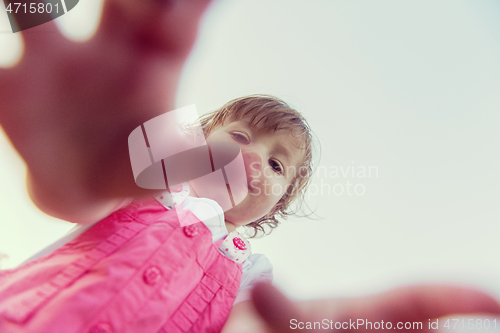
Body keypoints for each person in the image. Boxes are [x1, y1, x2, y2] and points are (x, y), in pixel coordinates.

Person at [1, 0, 499, 332]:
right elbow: (76, 194)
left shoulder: (251, 271)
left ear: (274, 207)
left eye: (277, 165)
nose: (253, 157)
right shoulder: (151, 183)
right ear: (195, 141)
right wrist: (85, 158)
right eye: (239, 136)